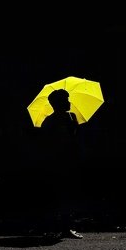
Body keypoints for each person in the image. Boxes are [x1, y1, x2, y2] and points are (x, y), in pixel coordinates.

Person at [39, 88, 84, 239]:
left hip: (70, 161)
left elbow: (77, 139)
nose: (69, 102)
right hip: (58, 162)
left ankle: (65, 226)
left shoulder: (72, 117)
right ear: (57, 104)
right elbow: (48, 143)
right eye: (65, 100)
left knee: (70, 194)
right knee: (61, 194)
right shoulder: (50, 121)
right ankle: (62, 226)